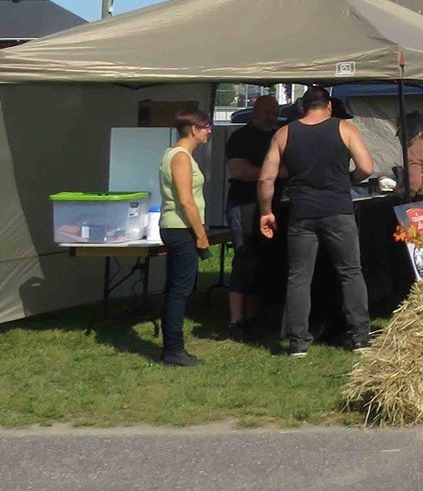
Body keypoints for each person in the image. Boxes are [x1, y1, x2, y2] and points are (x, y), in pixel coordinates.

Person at [258, 85, 375, 357]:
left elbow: (266, 178)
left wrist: (267, 211)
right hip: (338, 210)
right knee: (350, 272)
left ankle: (298, 342)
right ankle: (360, 337)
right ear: (329, 106)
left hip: (302, 213)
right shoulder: (344, 129)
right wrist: (349, 180)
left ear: (302, 107)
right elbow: (366, 167)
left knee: (299, 277)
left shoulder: (284, 133)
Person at [157, 109, 213, 367]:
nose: (209, 131)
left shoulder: (178, 154)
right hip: (181, 229)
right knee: (180, 290)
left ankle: (172, 348)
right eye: (206, 127)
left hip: (177, 228)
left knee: (175, 289)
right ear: (193, 129)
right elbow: (186, 201)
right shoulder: (180, 157)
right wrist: (200, 235)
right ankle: (174, 349)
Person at [222, 94, 279, 340]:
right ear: (255, 111)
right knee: (244, 258)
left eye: (275, 112)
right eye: (267, 112)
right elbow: (238, 170)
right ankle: (236, 320)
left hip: (273, 206)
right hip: (243, 203)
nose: (272, 117)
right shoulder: (241, 137)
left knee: (266, 259)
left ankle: (257, 315)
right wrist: (276, 173)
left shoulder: (279, 135)